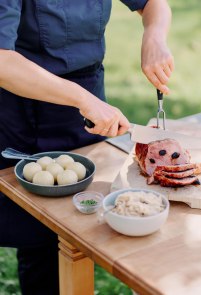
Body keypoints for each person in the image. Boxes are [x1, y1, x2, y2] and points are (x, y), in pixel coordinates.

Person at [0, 0, 174, 294]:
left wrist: (154, 38)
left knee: (83, 223)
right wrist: (83, 100)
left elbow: (154, 4)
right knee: (40, 230)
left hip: (89, 100)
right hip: (26, 107)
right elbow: (3, 62)